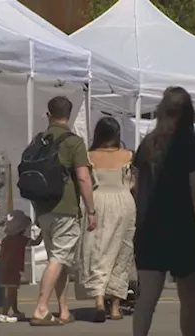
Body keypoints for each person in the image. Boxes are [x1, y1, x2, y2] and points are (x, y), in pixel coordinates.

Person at [132, 87, 195, 336]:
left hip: (150, 228)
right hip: (183, 228)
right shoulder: (191, 145)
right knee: (189, 298)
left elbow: (136, 186)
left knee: (147, 299)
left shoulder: (147, 144)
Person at [29, 96, 96, 326]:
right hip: (65, 208)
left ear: (49, 115)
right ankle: (40, 308)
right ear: (68, 115)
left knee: (58, 260)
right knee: (59, 259)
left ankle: (64, 310)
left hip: (43, 208)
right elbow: (84, 178)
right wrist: (91, 210)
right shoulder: (73, 142)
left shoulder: (39, 139)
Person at [76, 117, 136, 322]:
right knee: (122, 252)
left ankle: (99, 300)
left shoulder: (89, 155)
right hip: (124, 202)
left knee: (97, 250)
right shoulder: (128, 155)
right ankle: (116, 307)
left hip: (97, 201)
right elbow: (134, 182)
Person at [0, 210, 43, 323]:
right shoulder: (22, 240)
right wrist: (43, 232)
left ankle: (15, 310)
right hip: (14, 269)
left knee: (12, 291)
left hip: (5, 269)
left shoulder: (6, 240)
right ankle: (3, 313)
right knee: (12, 292)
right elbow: (36, 242)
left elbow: (2, 255)